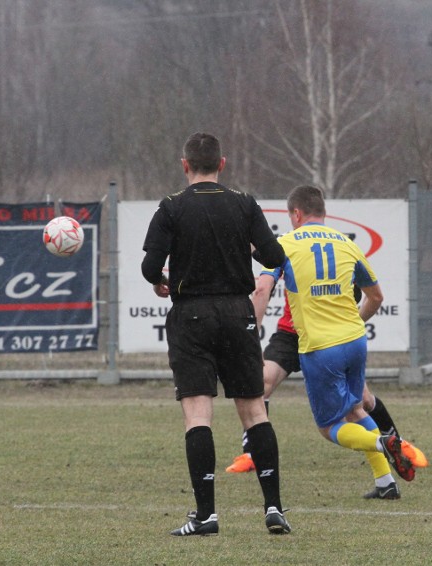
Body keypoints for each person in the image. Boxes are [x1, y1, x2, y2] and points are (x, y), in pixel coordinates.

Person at [141, 132, 291, 536]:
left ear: (184, 164)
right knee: (254, 410)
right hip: (238, 313)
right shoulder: (243, 203)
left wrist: (160, 281)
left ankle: (206, 515)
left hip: (192, 315)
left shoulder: (171, 206)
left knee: (197, 414)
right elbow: (275, 257)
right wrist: (247, 245)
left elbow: (150, 266)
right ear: (222, 164)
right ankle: (274, 508)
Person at [272, 184, 427, 498]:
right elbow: (377, 297)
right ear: (323, 213)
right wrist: (355, 322)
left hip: (319, 346)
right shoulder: (347, 243)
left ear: (296, 214)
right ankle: (386, 484)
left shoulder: (285, 244)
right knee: (357, 409)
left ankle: (382, 441)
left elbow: (262, 289)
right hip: (355, 341)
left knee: (329, 427)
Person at [226, 272, 426, 499]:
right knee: (260, 384)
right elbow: (263, 280)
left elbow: (361, 293)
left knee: (360, 403)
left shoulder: (331, 250)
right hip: (292, 334)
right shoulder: (286, 249)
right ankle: (252, 453)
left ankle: (396, 447)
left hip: (325, 336)